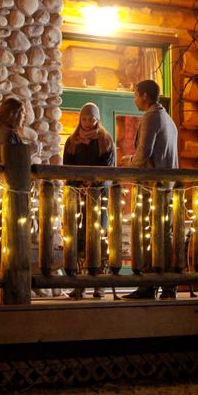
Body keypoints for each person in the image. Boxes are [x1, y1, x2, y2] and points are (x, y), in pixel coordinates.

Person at [129, 77, 178, 299]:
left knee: (150, 234)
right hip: (166, 186)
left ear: (145, 96)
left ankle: (150, 285)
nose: (134, 100)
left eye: (135, 95)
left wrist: (128, 162)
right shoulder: (167, 118)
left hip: (153, 186)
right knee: (162, 234)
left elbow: (143, 154)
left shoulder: (151, 117)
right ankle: (164, 285)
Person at [63, 101, 115, 298]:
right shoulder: (72, 141)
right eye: (84, 118)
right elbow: (67, 168)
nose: (87, 122)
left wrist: (94, 183)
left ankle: (99, 283)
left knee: (98, 237)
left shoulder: (105, 140)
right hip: (78, 197)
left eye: (91, 118)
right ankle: (79, 283)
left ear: (97, 119)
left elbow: (108, 168)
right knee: (79, 238)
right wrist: (78, 184)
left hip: (98, 197)